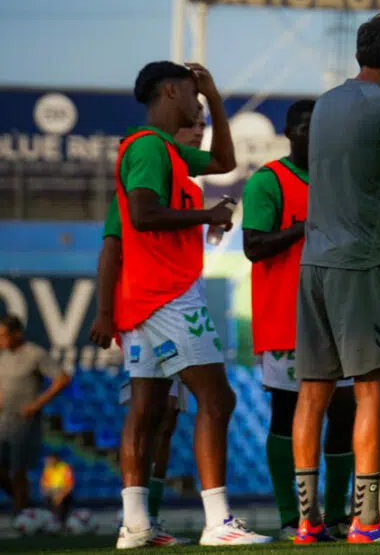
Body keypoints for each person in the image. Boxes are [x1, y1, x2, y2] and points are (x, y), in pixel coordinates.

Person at [107, 60, 271, 547]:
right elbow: (141, 214)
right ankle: (218, 522)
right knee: (218, 399)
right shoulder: (150, 149)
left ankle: (136, 525)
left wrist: (217, 98)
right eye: (193, 97)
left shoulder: (169, 153)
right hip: (168, 295)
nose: (197, 105)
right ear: (170, 90)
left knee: (149, 409)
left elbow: (223, 162)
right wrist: (207, 213)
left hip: (147, 298)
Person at [293, 14, 380, 544]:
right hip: (363, 264)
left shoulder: (325, 104)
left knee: (312, 396)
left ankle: (306, 520)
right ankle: (366, 522)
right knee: (372, 394)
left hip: (314, 263)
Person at [241, 98, 358, 540]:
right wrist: (303, 226)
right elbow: (254, 246)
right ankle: (292, 517)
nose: (315, 134)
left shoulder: (339, 180)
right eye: (307, 126)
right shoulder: (267, 182)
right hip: (287, 318)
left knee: (344, 411)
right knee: (287, 412)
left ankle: (336, 516)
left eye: (322, 126)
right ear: (291, 132)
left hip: (339, 317)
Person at [95, 113, 208, 547]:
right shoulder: (135, 193)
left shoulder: (182, 188)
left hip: (178, 303)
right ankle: (138, 519)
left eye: (201, 122)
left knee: (167, 418)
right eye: (191, 123)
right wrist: (105, 313)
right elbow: (111, 251)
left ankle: (147, 520)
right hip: (152, 310)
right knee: (153, 414)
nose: (198, 131)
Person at [0, 315, 71, 515]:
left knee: (18, 470)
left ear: (17, 334)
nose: (0, 340)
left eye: (4, 335)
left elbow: (63, 378)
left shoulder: (35, 354)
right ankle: (26, 506)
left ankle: (21, 513)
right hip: (3, 420)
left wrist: (36, 404)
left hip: (24, 422)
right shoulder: (3, 356)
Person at [40, 453, 75, 525]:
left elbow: (69, 485)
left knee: (64, 500)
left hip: (63, 491)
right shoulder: (48, 468)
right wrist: (50, 493)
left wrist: (60, 495)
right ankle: (49, 521)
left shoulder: (65, 467)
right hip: (52, 492)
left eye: (50, 459)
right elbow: (44, 485)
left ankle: (62, 522)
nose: (48, 461)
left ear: (56, 459)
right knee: (47, 498)